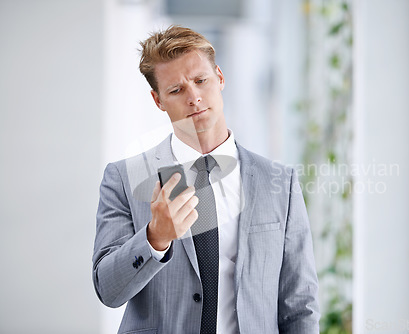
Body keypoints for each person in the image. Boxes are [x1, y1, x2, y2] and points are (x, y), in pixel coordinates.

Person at [92, 25, 320, 333]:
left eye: (201, 81)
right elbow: (108, 290)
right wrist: (154, 238)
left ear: (220, 78)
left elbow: (300, 304)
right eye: (176, 90)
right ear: (158, 100)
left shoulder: (280, 182)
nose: (194, 97)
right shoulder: (123, 178)